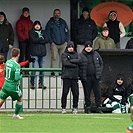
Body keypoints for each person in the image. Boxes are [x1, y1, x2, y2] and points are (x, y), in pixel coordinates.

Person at [78, 41, 103, 113]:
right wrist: (81, 75)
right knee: (87, 93)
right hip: (86, 78)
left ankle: (99, 107)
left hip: (95, 77)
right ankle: (88, 107)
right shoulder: (81, 55)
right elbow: (78, 66)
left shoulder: (96, 54)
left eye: (90, 47)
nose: (89, 48)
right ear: (85, 47)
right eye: (87, 47)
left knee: (97, 92)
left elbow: (101, 63)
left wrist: (99, 73)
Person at [0, 48, 23, 119]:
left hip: (6, 84)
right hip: (13, 86)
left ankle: (16, 115)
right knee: (20, 99)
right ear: (18, 55)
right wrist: (21, 75)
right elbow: (16, 78)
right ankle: (16, 115)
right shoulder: (17, 65)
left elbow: (5, 74)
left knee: (1, 100)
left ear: (11, 54)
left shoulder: (7, 62)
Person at [45, 9, 69, 76]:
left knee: (62, 58)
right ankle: (53, 72)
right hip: (54, 44)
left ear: (60, 14)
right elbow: (47, 33)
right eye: (55, 13)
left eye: (58, 13)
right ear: (53, 14)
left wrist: (66, 41)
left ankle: (61, 72)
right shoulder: (50, 23)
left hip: (63, 43)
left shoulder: (63, 22)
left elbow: (67, 32)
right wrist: (51, 42)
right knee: (54, 58)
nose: (57, 14)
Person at [61, 41, 80, 114]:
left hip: (74, 77)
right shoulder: (64, 54)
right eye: (69, 47)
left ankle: (75, 107)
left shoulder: (76, 54)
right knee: (65, 93)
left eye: (72, 47)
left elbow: (79, 61)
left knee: (75, 93)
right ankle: (63, 108)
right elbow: (65, 63)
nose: (71, 48)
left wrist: (71, 61)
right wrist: (74, 64)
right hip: (66, 76)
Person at [29, 20, 47, 90]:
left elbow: (47, 40)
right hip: (34, 53)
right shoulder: (31, 32)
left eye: (38, 24)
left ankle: (41, 83)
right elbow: (33, 40)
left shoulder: (43, 32)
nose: (37, 26)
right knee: (35, 68)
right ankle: (32, 83)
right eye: (36, 24)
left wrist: (38, 40)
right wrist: (41, 39)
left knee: (42, 68)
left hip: (42, 53)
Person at [16, 7, 33, 75]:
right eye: (25, 13)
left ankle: (27, 71)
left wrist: (31, 39)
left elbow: (32, 31)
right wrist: (25, 38)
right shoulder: (19, 22)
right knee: (21, 55)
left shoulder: (30, 22)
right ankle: (20, 70)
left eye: (27, 13)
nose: (26, 14)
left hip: (29, 41)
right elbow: (19, 32)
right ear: (22, 13)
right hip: (22, 41)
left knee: (28, 56)